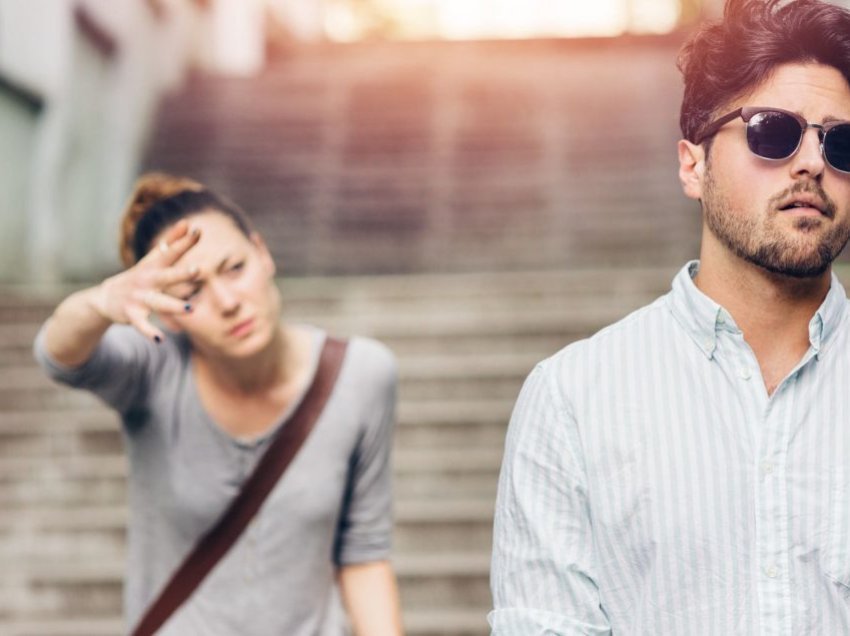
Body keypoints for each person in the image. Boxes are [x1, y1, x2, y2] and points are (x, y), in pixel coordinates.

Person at [489, 0, 850, 633]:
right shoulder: (575, 397)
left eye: (841, 142)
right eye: (774, 131)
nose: (812, 163)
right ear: (694, 164)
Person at [33, 173, 403, 635]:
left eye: (234, 269)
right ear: (167, 312)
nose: (228, 302)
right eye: (192, 293)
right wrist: (100, 302)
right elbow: (58, 354)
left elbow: (364, 553)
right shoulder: (153, 369)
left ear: (262, 252)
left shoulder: (361, 375)